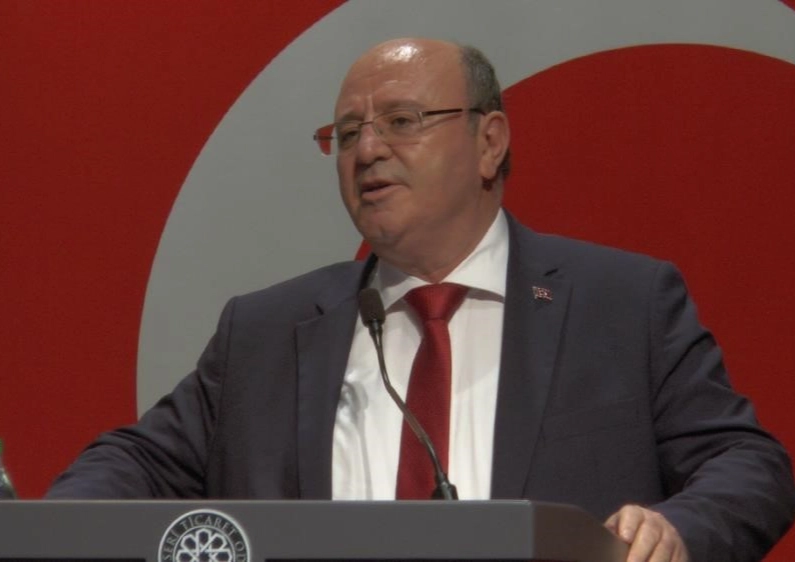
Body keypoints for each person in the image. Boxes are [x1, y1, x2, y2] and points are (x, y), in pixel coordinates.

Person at [47, 38, 795, 562]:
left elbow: (748, 463)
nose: (367, 150)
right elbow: (136, 462)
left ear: (488, 141)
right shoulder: (268, 331)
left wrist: (679, 529)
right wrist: (41, 532)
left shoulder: (621, 305)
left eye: (401, 122)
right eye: (346, 134)